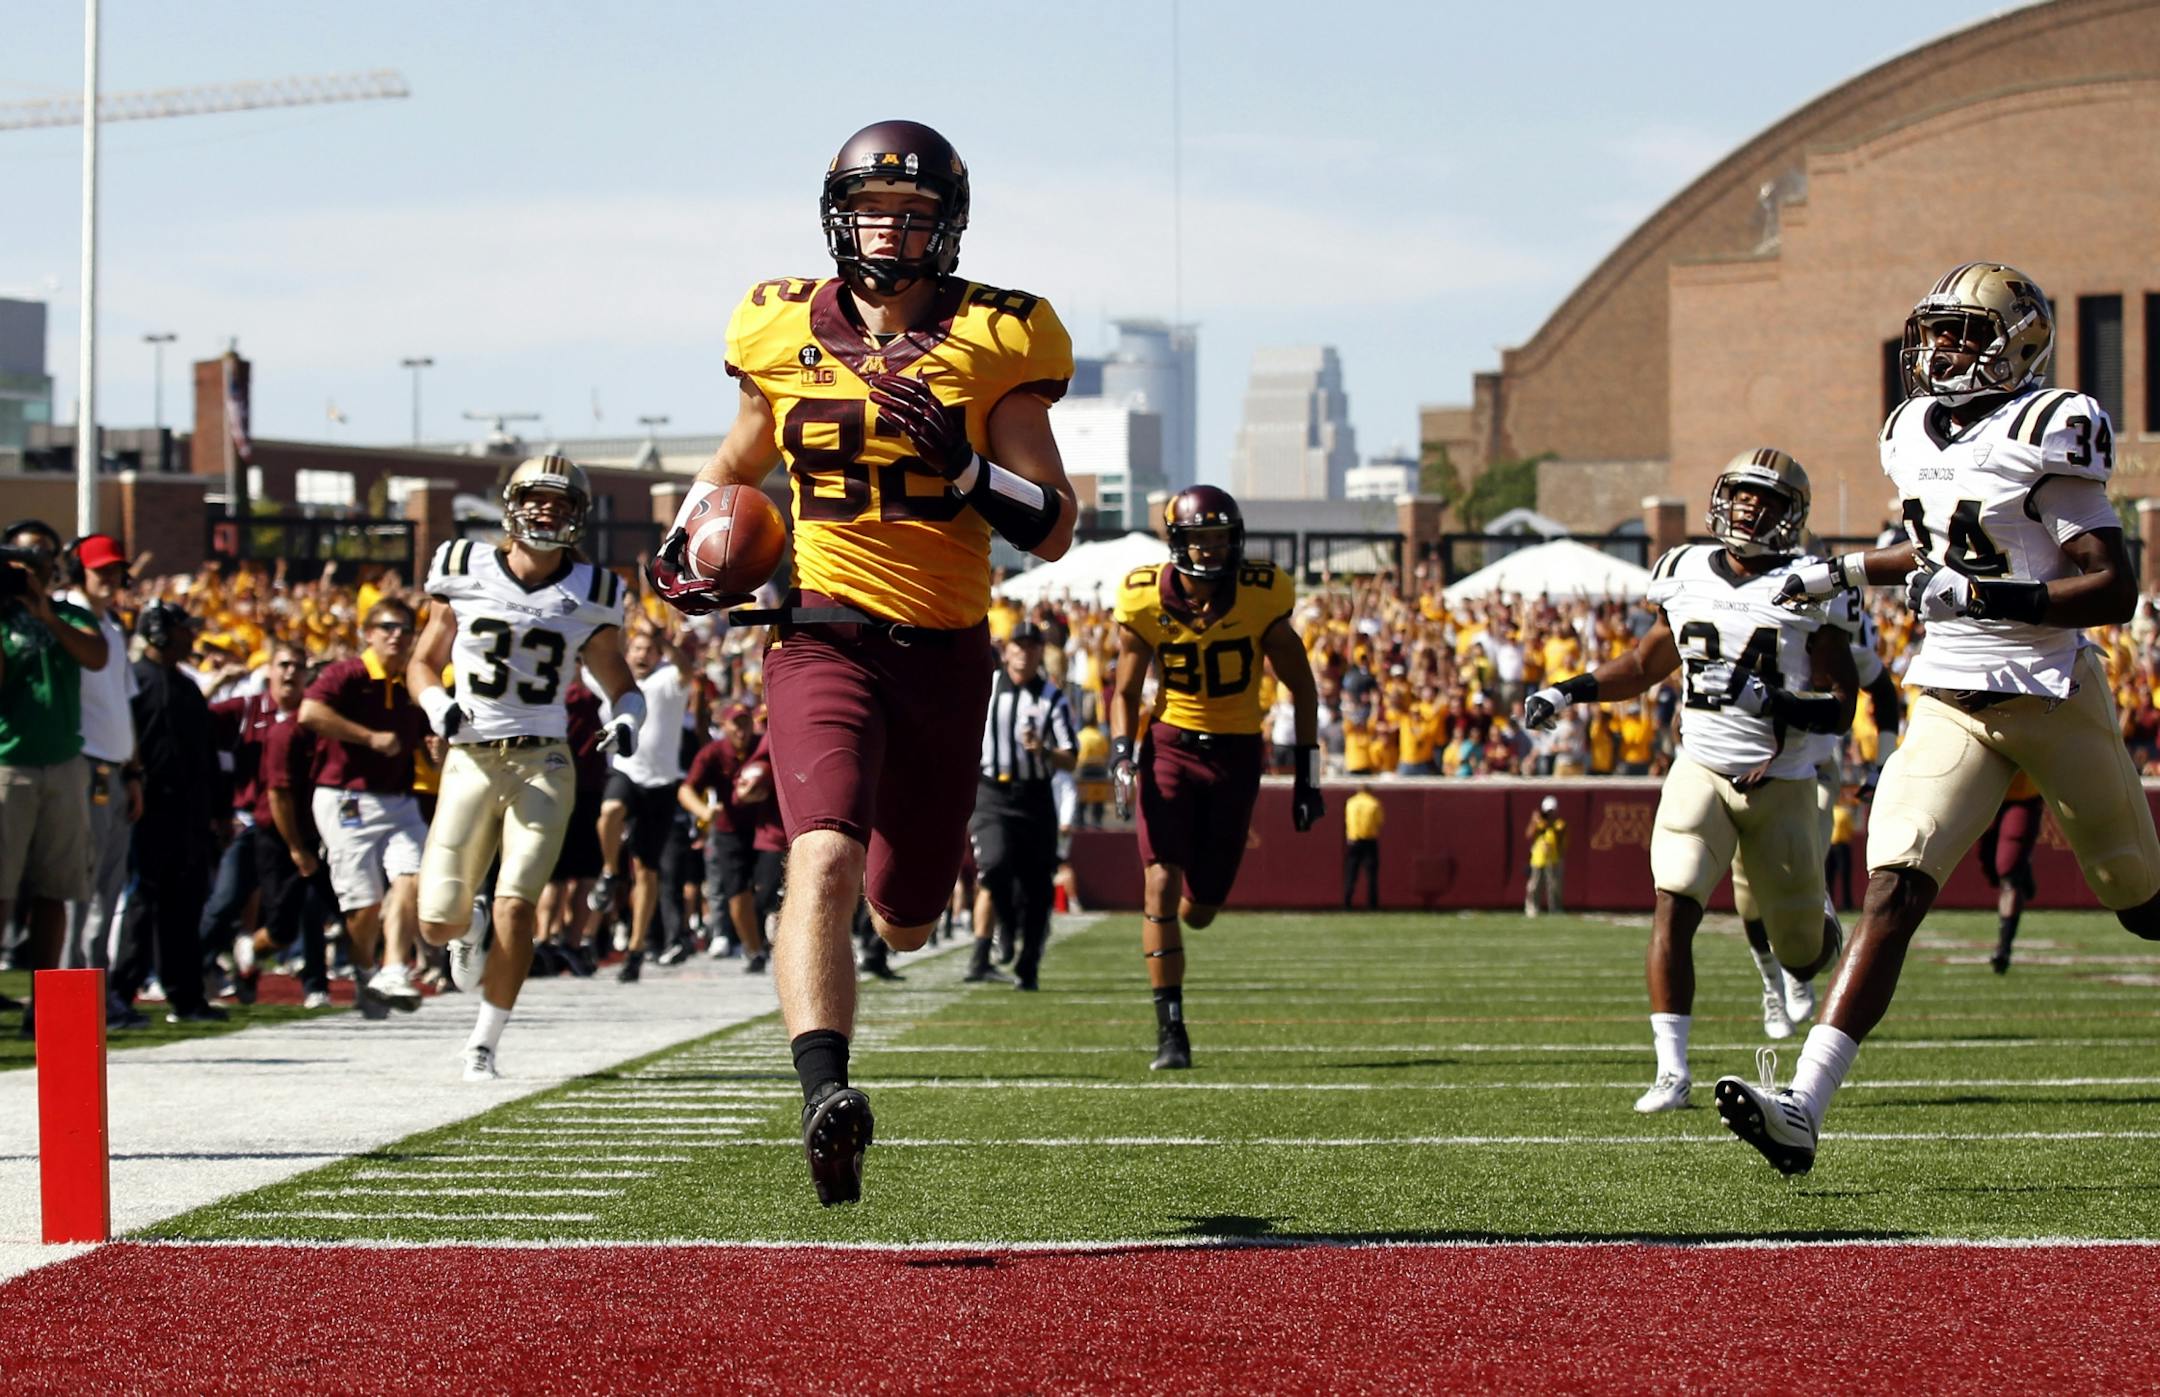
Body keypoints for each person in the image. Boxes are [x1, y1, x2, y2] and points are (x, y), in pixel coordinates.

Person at [648, 119, 1078, 1206]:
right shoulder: (778, 321)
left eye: (916, 213)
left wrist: (966, 463)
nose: (892, 231)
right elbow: (739, 458)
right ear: (838, 213)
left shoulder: (1000, 334)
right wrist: (689, 539)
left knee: (908, 911)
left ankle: (885, 947)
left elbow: (1057, 523)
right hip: (821, 633)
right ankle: (824, 1094)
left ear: (950, 225)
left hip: (945, 650)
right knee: (821, 854)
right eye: (874, 209)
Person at [1721, 263, 2160, 1175]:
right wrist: (1837, 570)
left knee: (2141, 902)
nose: (1942, 350)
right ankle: (1803, 1103)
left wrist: (1995, 592)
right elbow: (1934, 542)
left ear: (2020, 344)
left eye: (1965, 334)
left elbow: (2114, 586)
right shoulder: (1910, 429)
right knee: (1894, 890)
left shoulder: (2050, 426)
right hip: (1951, 694)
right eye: (1937, 333)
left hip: (2048, 692)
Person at [1523, 450, 1858, 1114]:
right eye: (1739, 494)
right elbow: (1647, 662)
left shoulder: (1811, 585)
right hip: (1699, 767)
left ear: (1791, 514)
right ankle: (1671, 1070)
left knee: (1802, 953)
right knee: (1673, 901)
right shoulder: (1682, 570)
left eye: (1763, 499)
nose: (1747, 509)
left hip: (1782, 782)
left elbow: (1841, 705)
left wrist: (1774, 702)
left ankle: (1821, 932)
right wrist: (1567, 692)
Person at [408, 455, 643, 1080]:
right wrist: (438, 705)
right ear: (510, 503)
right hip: (469, 756)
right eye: (537, 499)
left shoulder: (595, 591)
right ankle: (467, 924)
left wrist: (626, 719)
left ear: (579, 517)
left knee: (519, 904)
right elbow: (422, 663)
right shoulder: (461, 566)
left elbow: (622, 682)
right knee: (434, 924)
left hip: (544, 760)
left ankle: (483, 1041)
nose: (547, 511)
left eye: (561, 504)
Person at [1110, 485, 1323, 1071]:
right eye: (1199, 538)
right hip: (1171, 745)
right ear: (1175, 541)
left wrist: (1309, 775)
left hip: (1236, 753)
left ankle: (1177, 932)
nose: (1209, 550)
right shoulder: (1142, 598)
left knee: (1200, 906)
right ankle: (1170, 1031)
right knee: (1159, 884)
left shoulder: (1262, 593)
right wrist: (1123, 751)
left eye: (1219, 538)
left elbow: (1301, 687)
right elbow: (1125, 691)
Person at [1732, 581, 1902, 1040]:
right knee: (1747, 890)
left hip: (1812, 766)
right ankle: (1771, 985)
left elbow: (1884, 694)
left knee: (1808, 852)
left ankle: (1797, 961)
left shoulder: (1833, 646)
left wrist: (1882, 763)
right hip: (1744, 768)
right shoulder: (1747, 645)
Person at [0, 519, 110, 1032]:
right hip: (9, 762)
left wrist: (47, 615)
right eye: (20, 561)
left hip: (64, 762)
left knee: (55, 886)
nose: (29, 570)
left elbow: (97, 656)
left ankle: (41, 1005)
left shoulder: (71, 614)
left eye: (39, 560)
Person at [299, 596, 428, 1015]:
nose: (396, 635)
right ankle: (363, 971)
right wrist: (368, 737)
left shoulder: (415, 679)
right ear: (367, 633)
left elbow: (428, 732)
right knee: (365, 902)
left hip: (400, 797)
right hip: (346, 795)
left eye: (405, 628)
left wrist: (436, 748)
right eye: (387, 627)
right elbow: (310, 711)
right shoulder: (347, 673)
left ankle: (393, 967)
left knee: (416, 874)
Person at [111, 602, 227, 1025]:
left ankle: (186, 996)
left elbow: (206, 757)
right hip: (147, 811)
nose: (190, 637)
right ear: (160, 632)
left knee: (186, 903)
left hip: (190, 814)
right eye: (182, 630)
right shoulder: (134, 682)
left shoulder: (187, 687)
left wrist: (219, 810)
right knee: (142, 902)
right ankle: (121, 991)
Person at [968, 620, 1077, 991]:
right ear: (1007, 648)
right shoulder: (986, 686)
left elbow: (1071, 757)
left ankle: (1029, 963)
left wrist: (1044, 751)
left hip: (1034, 795)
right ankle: (1006, 923)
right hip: (991, 793)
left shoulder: (1052, 697)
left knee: (1037, 887)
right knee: (994, 865)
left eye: (1032, 646)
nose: (1025, 652)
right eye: (1019, 644)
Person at [55, 535, 140, 997]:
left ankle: (97, 992)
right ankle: (70, 993)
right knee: (77, 889)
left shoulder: (111, 625)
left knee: (107, 889)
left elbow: (123, 704)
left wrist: (135, 771)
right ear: (77, 572)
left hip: (115, 768)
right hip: (82, 765)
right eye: (100, 570)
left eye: (115, 570)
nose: (110, 579)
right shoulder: (64, 616)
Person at [586, 620, 692, 983]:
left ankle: (635, 950)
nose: (642, 655)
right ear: (626, 653)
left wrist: (665, 639)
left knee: (647, 870)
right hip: (625, 770)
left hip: (661, 782)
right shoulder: (613, 683)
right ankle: (611, 871)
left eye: (649, 650)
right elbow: (582, 655)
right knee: (610, 812)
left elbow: (686, 669)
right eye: (636, 649)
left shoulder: (667, 680)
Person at [680, 702, 772, 973]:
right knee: (737, 893)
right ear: (724, 726)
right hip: (729, 830)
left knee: (767, 889)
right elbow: (686, 790)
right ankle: (754, 950)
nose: (741, 730)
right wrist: (704, 812)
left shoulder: (764, 746)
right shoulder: (713, 753)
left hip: (765, 828)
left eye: (745, 723)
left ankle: (762, 940)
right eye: (736, 723)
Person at [1978, 773, 2044, 975]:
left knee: (2008, 871)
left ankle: (2003, 948)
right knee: (1990, 864)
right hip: (1986, 795)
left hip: (2022, 796)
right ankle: (2022, 869)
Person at [1523, 795, 1567, 917]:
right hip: (1538, 858)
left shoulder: (1559, 824)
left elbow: (1559, 835)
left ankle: (1555, 909)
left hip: (1554, 858)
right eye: (1548, 811)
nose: (1550, 814)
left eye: (1552, 811)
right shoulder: (1538, 823)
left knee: (1554, 886)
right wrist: (1534, 821)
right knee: (1535, 885)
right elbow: (1528, 834)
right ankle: (1532, 908)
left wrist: (1546, 824)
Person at [1342, 782, 1382, 910]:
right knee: (1371, 875)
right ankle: (1372, 904)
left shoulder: (1351, 803)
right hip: (1369, 841)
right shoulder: (1374, 803)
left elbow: (1347, 820)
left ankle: (1347, 902)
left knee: (1351, 873)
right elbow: (1379, 821)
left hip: (1353, 840)